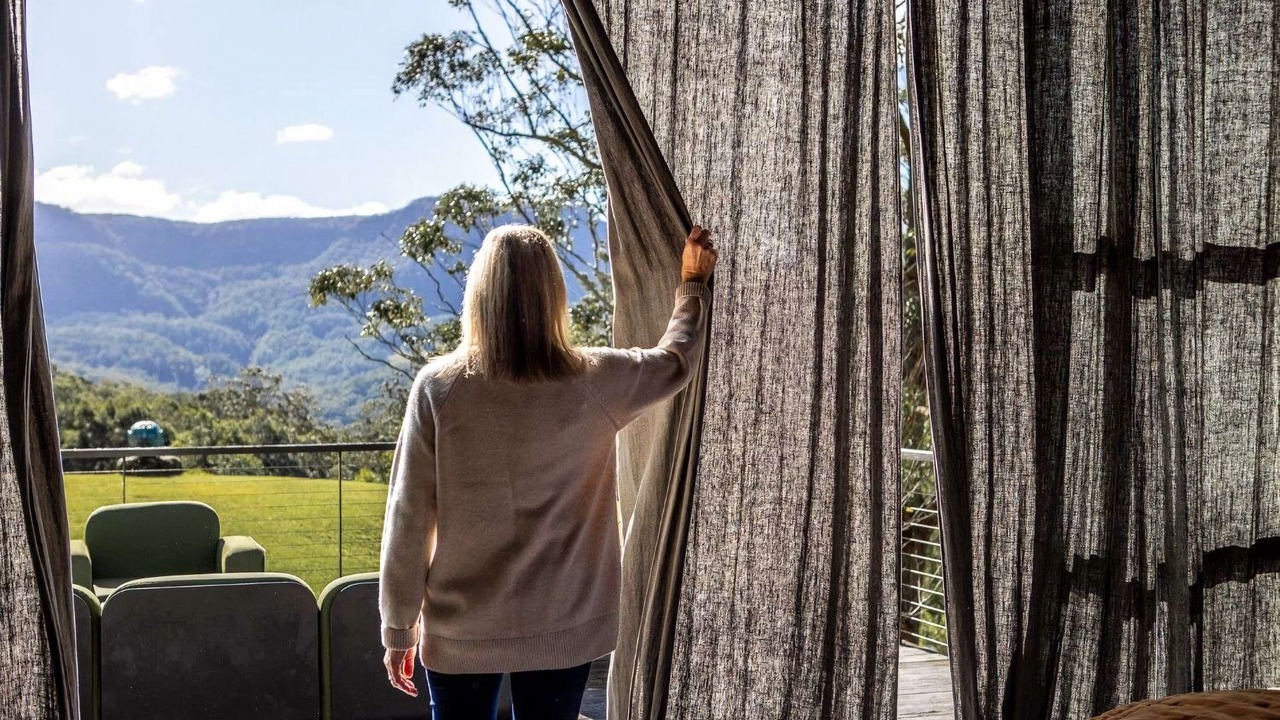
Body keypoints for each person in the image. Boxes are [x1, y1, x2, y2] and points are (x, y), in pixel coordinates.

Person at [378, 223, 717, 720]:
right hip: (566, 623)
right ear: (554, 296)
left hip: (461, 628)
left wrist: (398, 629)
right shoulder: (596, 380)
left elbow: (407, 517)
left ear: (479, 296)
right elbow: (675, 361)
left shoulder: (439, 389)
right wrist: (691, 285)